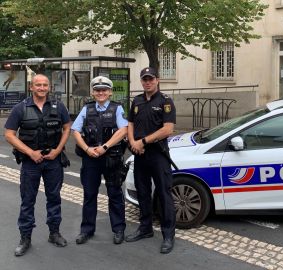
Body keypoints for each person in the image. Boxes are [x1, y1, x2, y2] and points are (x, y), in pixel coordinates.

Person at [4, 74, 71, 256]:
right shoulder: (21, 108)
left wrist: (57, 150)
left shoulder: (59, 106)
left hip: (53, 161)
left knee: (54, 198)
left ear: (49, 87)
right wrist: (30, 152)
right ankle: (25, 238)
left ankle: (54, 233)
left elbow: (67, 127)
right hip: (30, 163)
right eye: (38, 85)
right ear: (31, 87)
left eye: (44, 85)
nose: (41, 88)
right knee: (27, 201)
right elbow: (9, 134)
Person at [71, 76, 128, 245]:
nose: (101, 93)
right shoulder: (86, 109)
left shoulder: (117, 108)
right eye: (97, 90)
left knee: (115, 194)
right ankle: (87, 230)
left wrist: (105, 147)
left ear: (110, 92)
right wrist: (87, 149)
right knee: (89, 195)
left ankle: (118, 229)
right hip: (91, 158)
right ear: (92, 92)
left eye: (104, 90)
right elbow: (75, 130)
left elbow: (124, 130)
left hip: (111, 158)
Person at [125, 67, 176, 254]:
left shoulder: (165, 101)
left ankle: (168, 235)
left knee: (164, 194)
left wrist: (143, 141)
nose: (147, 82)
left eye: (151, 79)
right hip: (139, 154)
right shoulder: (137, 100)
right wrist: (132, 142)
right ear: (141, 81)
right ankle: (145, 228)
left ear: (157, 80)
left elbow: (168, 129)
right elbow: (130, 123)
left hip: (158, 154)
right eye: (144, 79)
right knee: (143, 192)